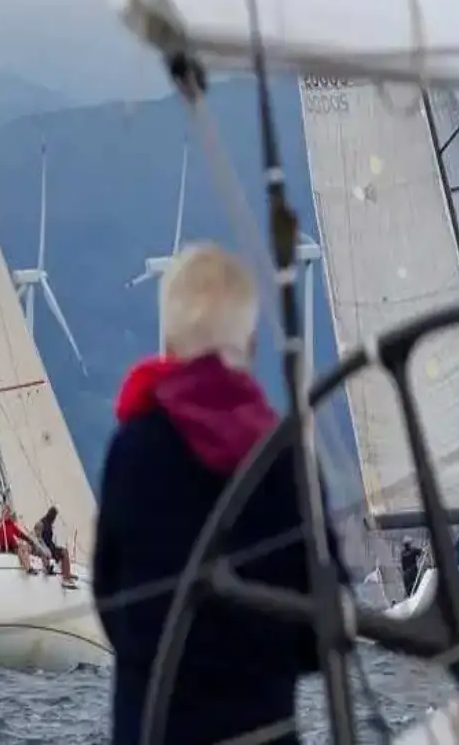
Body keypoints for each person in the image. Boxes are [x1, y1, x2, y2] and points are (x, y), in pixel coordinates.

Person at [93, 242, 342, 745]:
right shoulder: (287, 456)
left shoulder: (133, 448)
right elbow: (323, 627)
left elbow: (109, 596)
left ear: (166, 345)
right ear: (250, 347)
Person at [35, 506, 77, 588]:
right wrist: (44, 549)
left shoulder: (50, 524)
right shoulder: (41, 523)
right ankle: (64, 577)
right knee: (57, 553)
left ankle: (67, 574)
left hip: (50, 546)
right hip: (43, 547)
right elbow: (37, 539)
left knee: (65, 551)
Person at [0, 505, 39, 575]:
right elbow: (4, 540)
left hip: (13, 546)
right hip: (7, 547)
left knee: (24, 547)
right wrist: (15, 544)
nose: (7, 515)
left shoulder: (10, 524)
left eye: (8, 513)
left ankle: (28, 566)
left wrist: (29, 540)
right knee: (21, 549)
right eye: (5, 513)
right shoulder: (2, 527)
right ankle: (28, 568)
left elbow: (19, 533)